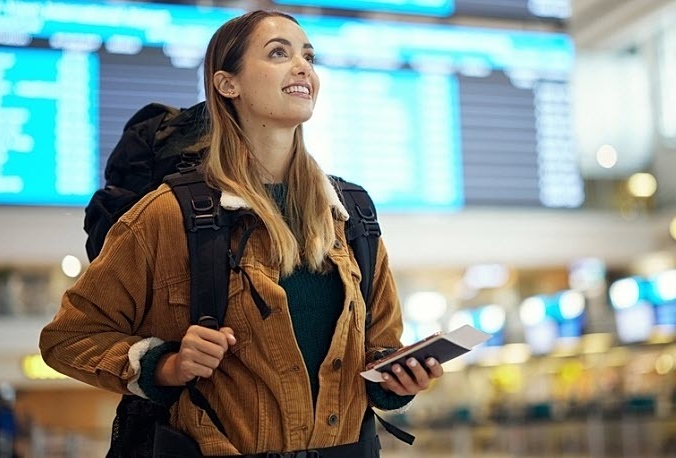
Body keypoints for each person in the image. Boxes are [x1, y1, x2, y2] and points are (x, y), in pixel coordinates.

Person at [40, 9, 444, 457]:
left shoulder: (351, 215)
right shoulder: (168, 215)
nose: (302, 67)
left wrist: (396, 381)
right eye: (278, 53)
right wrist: (166, 365)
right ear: (226, 84)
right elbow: (68, 338)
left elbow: (378, 348)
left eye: (308, 56)